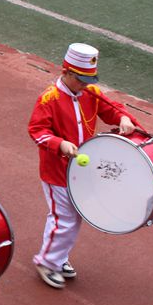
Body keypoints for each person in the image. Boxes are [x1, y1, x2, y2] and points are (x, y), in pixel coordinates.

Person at [27, 43, 137, 289]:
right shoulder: (49, 99)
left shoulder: (91, 91)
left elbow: (111, 109)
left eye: (89, 79)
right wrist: (60, 144)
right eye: (80, 79)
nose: (85, 84)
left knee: (73, 217)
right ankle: (47, 262)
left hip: (79, 171)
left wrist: (123, 117)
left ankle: (58, 256)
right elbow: (37, 130)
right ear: (65, 71)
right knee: (64, 218)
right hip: (56, 171)